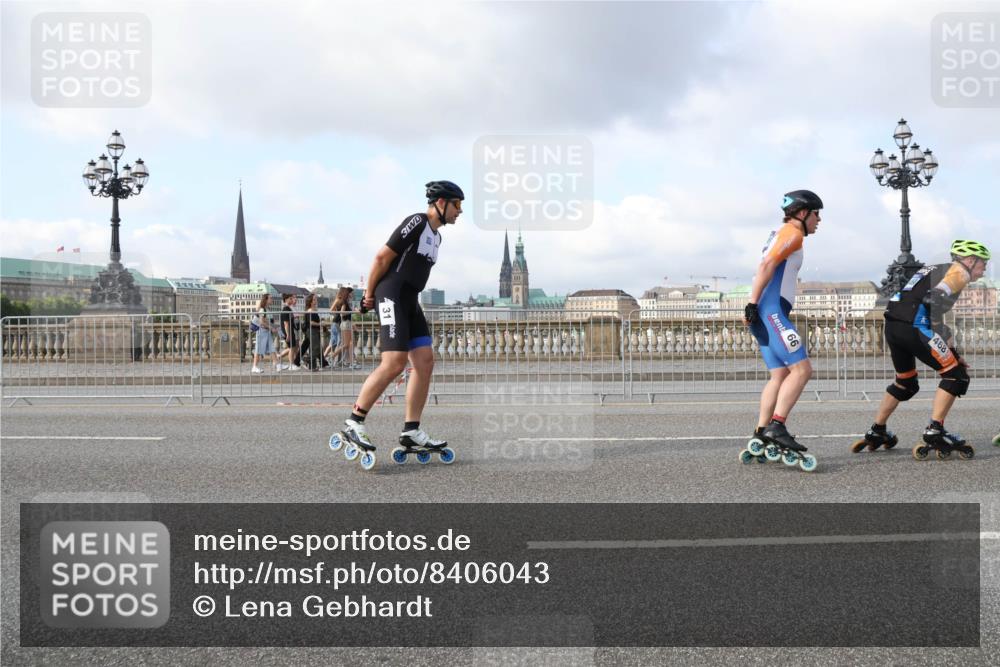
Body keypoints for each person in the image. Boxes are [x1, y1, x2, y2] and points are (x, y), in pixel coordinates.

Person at [333, 181, 463, 469]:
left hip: (410, 300)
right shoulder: (416, 222)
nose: (460, 211)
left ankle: (411, 429)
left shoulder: (437, 238)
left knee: (425, 361)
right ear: (441, 203)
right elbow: (382, 257)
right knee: (394, 362)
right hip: (390, 294)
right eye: (457, 205)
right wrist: (369, 294)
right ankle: (354, 421)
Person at [851, 240, 990, 460]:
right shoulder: (959, 271)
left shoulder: (932, 268)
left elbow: (933, 315)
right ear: (970, 261)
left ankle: (877, 430)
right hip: (914, 327)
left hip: (893, 325)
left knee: (905, 383)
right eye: (983, 264)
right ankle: (935, 430)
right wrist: (938, 293)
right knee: (956, 376)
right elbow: (935, 296)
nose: (984, 271)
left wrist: (954, 354)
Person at [742, 190, 823, 469]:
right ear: (802, 213)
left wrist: (754, 308)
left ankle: (761, 431)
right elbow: (766, 264)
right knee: (802, 370)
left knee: (779, 375)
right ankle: (777, 427)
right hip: (772, 312)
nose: (819, 220)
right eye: (816, 214)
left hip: (765, 313)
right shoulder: (793, 233)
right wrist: (752, 303)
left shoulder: (779, 231)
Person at [329, 287, 358, 369]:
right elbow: (342, 314)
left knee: (349, 343)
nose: (350, 294)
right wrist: (352, 311)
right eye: (349, 293)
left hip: (345, 323)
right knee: (346, 344)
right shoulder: (344, 302)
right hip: (345, 323)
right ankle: (332, 357)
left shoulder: (341, 301)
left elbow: (333, 311)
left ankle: (351, 362)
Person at [251, 293, 281, 373]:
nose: (272, 300)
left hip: (266, 332)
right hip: (262, 332)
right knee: (258, 349)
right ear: (266, 300)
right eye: (270, 298)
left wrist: (273, 327)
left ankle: (277, 364)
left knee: (271, 348)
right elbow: (261, 322)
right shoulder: (262, 310)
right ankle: (254, 366)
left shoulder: (266, 309)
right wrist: (271, 328)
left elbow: (266, 321)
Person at [279, 293, 301, 371]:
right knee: (291, 348)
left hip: (290, 330)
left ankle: (292, 364)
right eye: (290, 299)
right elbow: (286, 323)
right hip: (288, 331)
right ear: (286, 299)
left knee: (292, 347)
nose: (292, 300)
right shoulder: (286, 309)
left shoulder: (288, 308)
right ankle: (291, 364)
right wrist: (288, 334)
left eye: (292, 298)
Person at [303, 293, 323, 371]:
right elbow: (311, 322)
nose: (316, 301)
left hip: (314, 330)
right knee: (317, 348)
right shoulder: (310, 310)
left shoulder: (314, 310)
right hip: (311, 330)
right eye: (314, 299)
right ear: (310, 301)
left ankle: (312, 366)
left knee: (314, 348)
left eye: (316, 299)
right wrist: (320, 324)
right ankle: (307, 359)